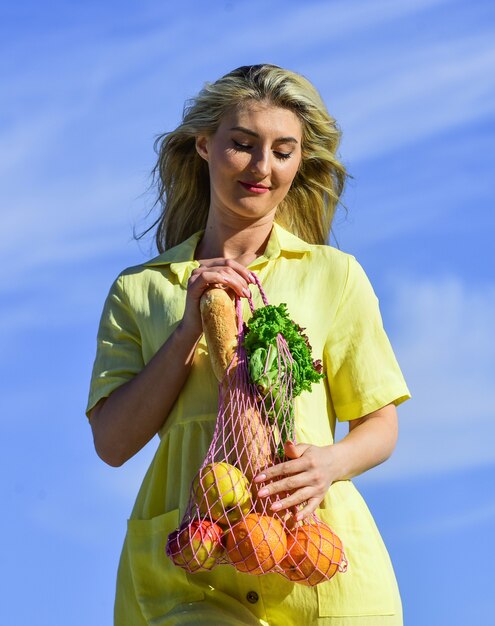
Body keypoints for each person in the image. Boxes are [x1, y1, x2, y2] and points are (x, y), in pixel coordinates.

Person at [86, 64, 411, 626]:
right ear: (205, 146)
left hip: (320, 573)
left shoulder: (336, 276)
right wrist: (187, 331)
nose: (263, 167)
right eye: (243, 145)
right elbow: (113, 443)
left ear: (300, 161)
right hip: (189, 575)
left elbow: (379, 425)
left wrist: (331, 463)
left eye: (283, 151)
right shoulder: (140, 289)